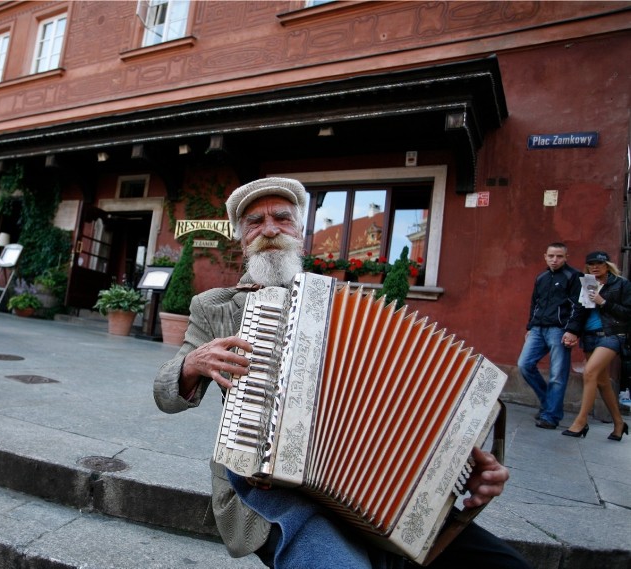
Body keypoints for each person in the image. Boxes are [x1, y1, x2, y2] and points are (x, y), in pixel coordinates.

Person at [154, 178, 531, 569]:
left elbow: (404, 401)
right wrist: (192, 363)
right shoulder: (214, 307)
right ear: (241, 238)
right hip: (262, 484)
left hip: (374, 489)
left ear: (300, 231)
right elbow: (164, 395)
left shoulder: (348, 309)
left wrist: (459, 469)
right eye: (254, 222)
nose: (269, 229)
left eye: (282, 218)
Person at [562, 251, 631, 441]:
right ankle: (618, 423)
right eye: (591, 264)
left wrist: (604, 302)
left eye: (599, 263)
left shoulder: (621, 284)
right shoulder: (588, 283)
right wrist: (572, 331)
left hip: (612, 335)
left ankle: (581, 422)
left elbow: (627, 313)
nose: (595, 267)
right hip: (590, 337)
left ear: (607, 265)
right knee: (602, 382)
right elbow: (579, 311)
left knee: (589, 372)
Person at [517, 243, 587, 429]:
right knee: (524, 365)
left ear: (566, 257)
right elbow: (535, 303)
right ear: (545, 256)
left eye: (559, 256)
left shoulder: (574, 276)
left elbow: (580, 306)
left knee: (557, 374)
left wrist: (572, 330)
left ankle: (551, 416)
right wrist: (530, 326)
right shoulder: (541, 277)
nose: (554, 259)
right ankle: (549, 404)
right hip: (538, 329)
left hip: (559, 330)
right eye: (551, 256)